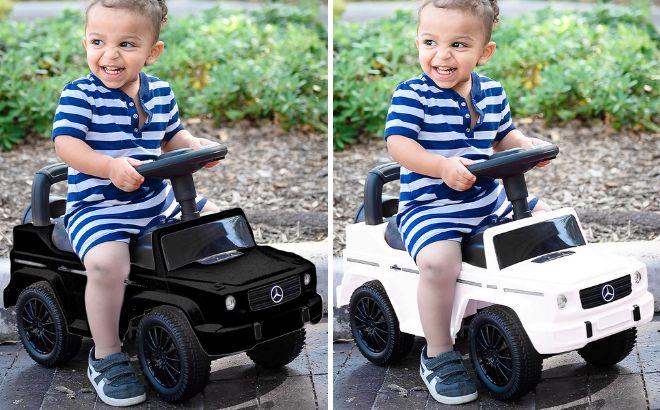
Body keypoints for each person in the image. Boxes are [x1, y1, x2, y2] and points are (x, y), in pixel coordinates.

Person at [51, 0, 220, 406]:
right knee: (109, 263)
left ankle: (197, 311)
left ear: (152, 51)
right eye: (98, 42)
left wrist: (195, 147)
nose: (109, 55)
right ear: (85, 42)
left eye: (126, 44)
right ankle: (106, 354)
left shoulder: (159, 91)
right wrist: (108, 166)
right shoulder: (80, 94)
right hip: (99, 207)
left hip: (158, 202)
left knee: (218, 227)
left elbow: (172, 135)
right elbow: (66, 145)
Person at [384, 0, 551, 405]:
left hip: (489, 202)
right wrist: (440, 166)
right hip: (431, 207)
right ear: (418, 42)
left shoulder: (492, 91)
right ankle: (438, 352)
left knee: (547, 224)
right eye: (430, 42)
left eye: (458, 44)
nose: (441, 55)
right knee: (440, 262)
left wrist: (526, 146)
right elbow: (398, 145)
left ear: (484, 51)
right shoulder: (412, 94)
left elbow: (503, 136)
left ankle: (537, 314)